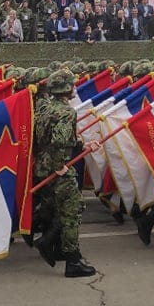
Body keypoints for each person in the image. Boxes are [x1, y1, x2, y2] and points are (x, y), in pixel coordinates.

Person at [31, 68, 99, 277]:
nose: (75, 88)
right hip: (57, 168)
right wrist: (60, 165)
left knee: (56, 208)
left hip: (41, 166)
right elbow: (60, 141)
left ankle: (54, 245)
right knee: (73, 210)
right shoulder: (67, 112)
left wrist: (84, 145)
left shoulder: (44, 107)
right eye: (73, 85)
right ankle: (72, 261)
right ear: (66, 88)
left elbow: (48, 137)